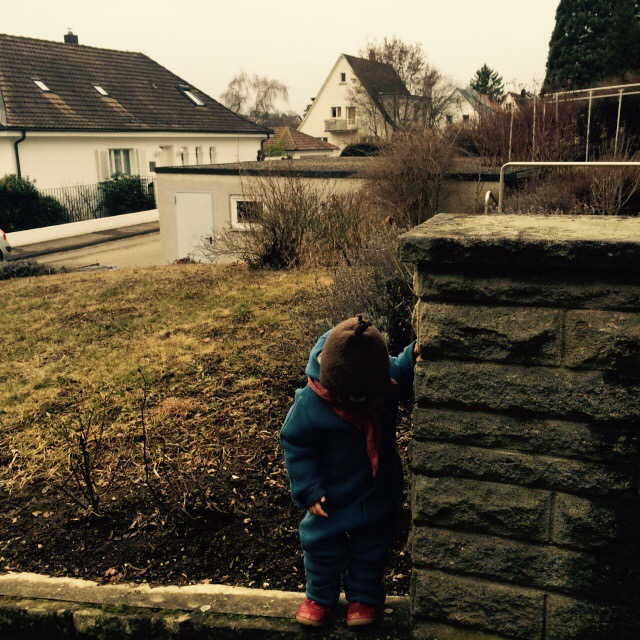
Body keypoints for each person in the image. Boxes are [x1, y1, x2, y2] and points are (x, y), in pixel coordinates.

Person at [280, 315, 416, 627]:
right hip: (330, 495)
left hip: (376, 491)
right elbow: (295, 442)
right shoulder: (312, 401)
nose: (361, 406)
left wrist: (416, 353)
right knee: (321, 546)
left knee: (371, 548)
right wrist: (308, 488)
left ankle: (364, 598)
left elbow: (402, 368)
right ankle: (319, 597)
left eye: (368, 400)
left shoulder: (381, 374)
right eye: (352, 401)